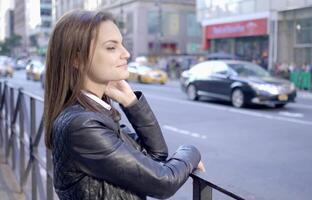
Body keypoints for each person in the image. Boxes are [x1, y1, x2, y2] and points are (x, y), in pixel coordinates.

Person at [44, 10, 205, 200]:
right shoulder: (82, 125)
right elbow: (164, 182)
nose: (126, 53)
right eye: (112, 47)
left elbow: (156, 155)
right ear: (77, 59)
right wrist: (191, 152)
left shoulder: (94, 113)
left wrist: (132, 103)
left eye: (122, 44)